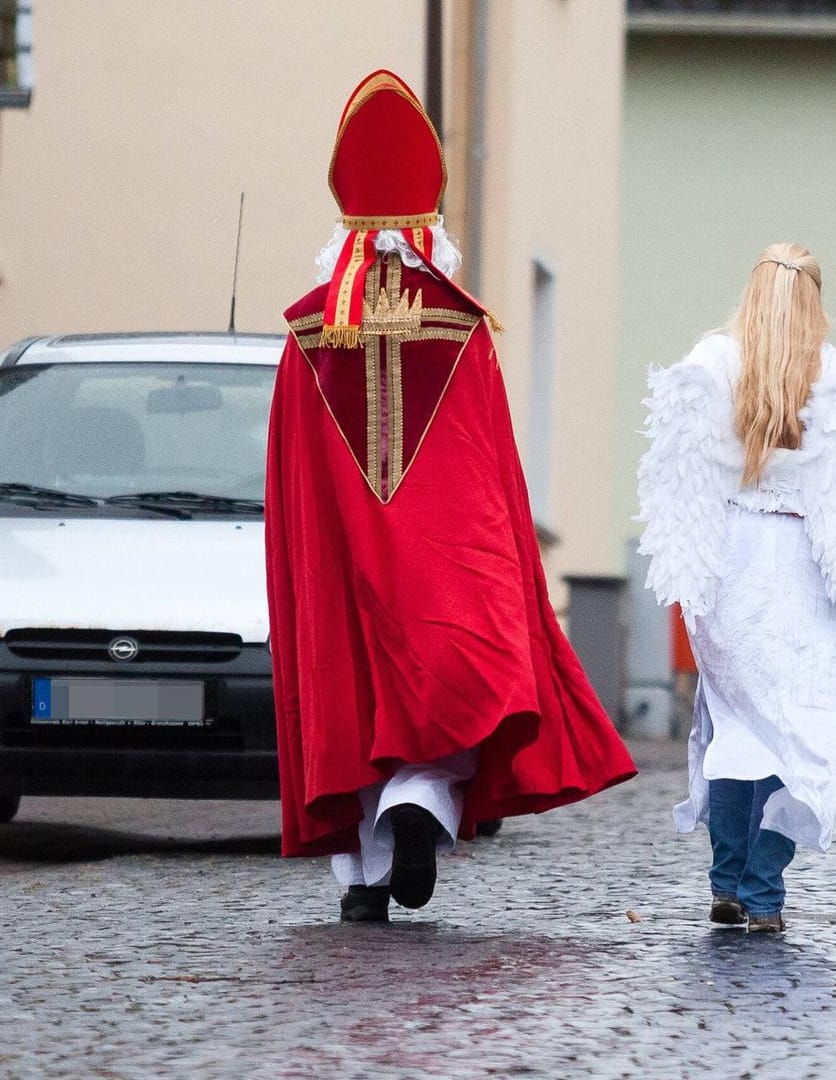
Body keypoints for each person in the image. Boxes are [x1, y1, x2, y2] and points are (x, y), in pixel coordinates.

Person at [265, 70, 637, 923]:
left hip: (343, 567)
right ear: (429, 214)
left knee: (349, 684)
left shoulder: (307, 337)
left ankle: (362, 880)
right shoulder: (461, 328)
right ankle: (422, 799)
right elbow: (490, 475)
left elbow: (295, 486)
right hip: (441, 570)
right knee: (453, 680)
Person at [638, 243, 836, 934]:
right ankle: (762, 889)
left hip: (725, 559)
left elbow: (674, 476)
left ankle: (728, 879)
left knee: (736, 726)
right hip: (799, 564)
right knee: (800, 732)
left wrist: (684, 570)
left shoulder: (710, 366)